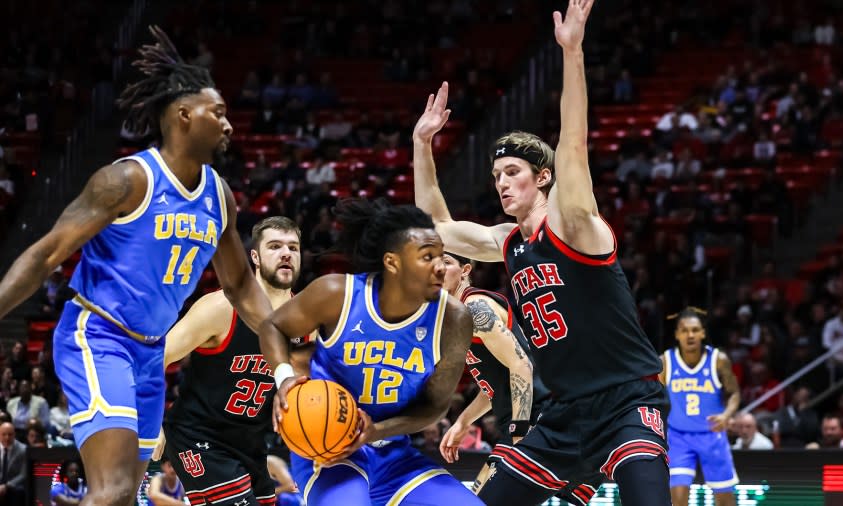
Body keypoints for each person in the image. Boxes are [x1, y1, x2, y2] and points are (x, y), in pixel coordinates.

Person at [0, 26, 273, 505]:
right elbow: (45, 254)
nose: (230, 125)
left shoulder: (219, 197)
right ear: (185, 115)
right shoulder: (126, 181)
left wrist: (284, 356)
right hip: (98, 335)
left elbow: (241, 286)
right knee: (113, 489)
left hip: (150, 355)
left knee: (128, 495)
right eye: (220, 113)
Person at [412, 1, 670, 504]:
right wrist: (423, 146)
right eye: (496, 177)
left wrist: (572, 53)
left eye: (513, 172)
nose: (502, 183)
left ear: (543, 177)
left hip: (625, 404)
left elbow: (573, 146)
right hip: (565, 415)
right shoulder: (507, 242)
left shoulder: (574, 225)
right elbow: (436, 227)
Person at [258, 198, 482, 506]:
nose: (441, 267)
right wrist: (284, 378)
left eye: (442, 256)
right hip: (328, 453)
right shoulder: (337, 294)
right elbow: (273, 327)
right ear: (393, 263)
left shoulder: (454, 320)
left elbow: (434, 407)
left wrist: (376, 430)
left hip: (395, 456)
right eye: (427, 257)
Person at [154, 216, 303, 506]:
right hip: (198, 436)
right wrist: (150, 421)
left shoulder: (304, 318)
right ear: (255, 257)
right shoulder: (221, 308)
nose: (286, 253)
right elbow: (155, 359)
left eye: (293, 247)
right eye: (275, 246)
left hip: (252, 443)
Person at [437, 254, 600, 504]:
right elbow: (497, 384)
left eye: (447, 262)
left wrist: (519, 431)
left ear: (465, 270)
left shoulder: (475, 307)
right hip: (532, 422)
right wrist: (464, 421)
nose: (437, 268)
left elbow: (521, 365)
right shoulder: (457, 317)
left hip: (541, 420)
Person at [660, 308, 740, 506]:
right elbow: (653, 399)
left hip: (712, 435)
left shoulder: (718, 360)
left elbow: (735, 394)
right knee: (677, 497)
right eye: (685, 330)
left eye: (695, 330)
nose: (690, 335)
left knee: (725, 500)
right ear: (677, 334)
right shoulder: (666, 362)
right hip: (678, 437)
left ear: (703, 333)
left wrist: (727, 415)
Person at [0, 421, 26, 505]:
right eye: (4, 434)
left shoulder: (23, 450)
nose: (7, 438)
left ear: (14, 435)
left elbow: (23, 474)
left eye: (10, 434)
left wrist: (6, 486)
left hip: (14, 486)